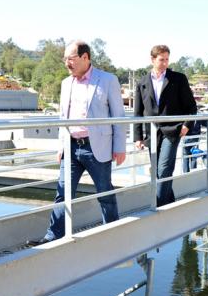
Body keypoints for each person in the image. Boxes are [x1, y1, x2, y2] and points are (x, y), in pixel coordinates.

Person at [39, 40, 127, 243]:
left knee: (104, 192)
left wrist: (119, 147)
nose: (66, 63)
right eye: (65, 60)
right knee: (63, 193)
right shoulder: (65, 83)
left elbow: (119, 116)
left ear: (85, 57)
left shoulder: (107, 80)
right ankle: (53, 236)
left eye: (70, 58)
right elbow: (63, 117)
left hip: (97, 146)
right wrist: (61, 146)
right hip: (71, 147)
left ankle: (112, 233)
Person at [134, 45, 197, 206]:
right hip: (152, 133)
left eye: (167, 59)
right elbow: (138, 113)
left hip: (173, 130)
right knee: (157, 172)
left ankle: (158, 208)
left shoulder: (178, 79)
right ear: (152, 60)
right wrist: (138, 137)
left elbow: (191, 107)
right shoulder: (142, 82)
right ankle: (170, 205)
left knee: (164, 169)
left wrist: (187, 125)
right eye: (161, 59)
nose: (165, 63)